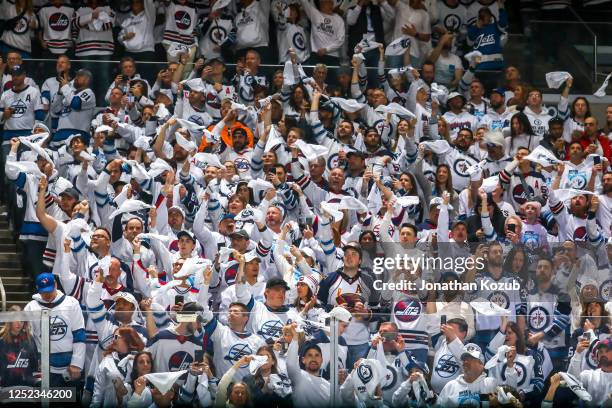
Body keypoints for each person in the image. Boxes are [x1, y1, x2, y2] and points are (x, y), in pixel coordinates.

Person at [0, 305, 40, 387]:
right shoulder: (1, 340)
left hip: (27, 385)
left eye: (22, 320)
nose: (19, 323)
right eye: (16, 319)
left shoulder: (29, 339)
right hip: (5, 386)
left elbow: (34, 364)